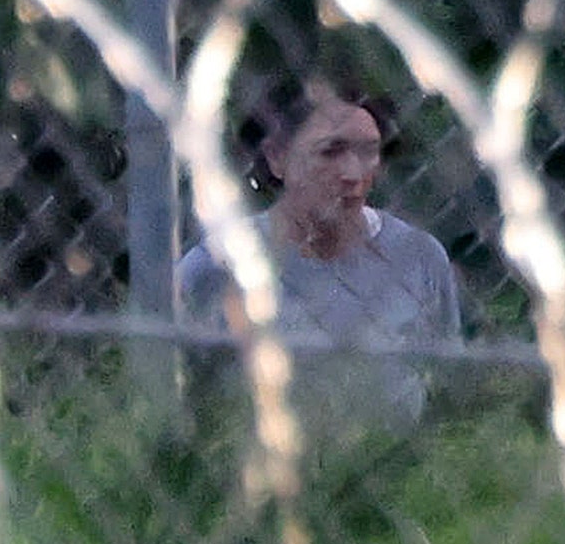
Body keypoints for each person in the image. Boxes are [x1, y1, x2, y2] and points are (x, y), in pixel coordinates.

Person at [177, 74, 461, 432]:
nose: (353, 173)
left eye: (368, 152)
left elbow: (449, 387)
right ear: (278, 158)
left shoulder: (418, 257)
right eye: (330, 152)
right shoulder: (218, 264)